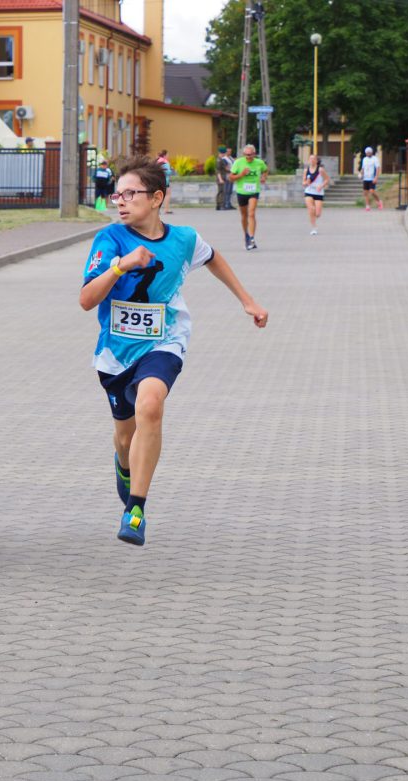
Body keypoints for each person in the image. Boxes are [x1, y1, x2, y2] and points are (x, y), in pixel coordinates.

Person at [79, 155, 268, 547]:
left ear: (156, 198)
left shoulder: (183, 239)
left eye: (130, 193)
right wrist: (120, 266)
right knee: (124, 439)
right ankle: (124, 465)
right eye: (118, 194)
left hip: (165, 341)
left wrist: (247, 300)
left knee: (151, 406)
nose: (120, 201)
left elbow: (213, 258)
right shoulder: (110, 239)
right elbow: (86, 300)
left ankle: (135, 510)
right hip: (116, 353)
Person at [229, 144, 268, 251]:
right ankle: (246, 235)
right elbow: (231, 177)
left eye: (250, 155)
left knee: (251, 213)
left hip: (254, 191)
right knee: (244, 215)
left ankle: (251, 238)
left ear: (254, 154)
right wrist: (241, 174)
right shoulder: (238, 162)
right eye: (246, 155)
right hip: (241, 192)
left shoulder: (259, 162)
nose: (248, 157)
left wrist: (264, 177)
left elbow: (265, 170)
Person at [302, 153, 330, 235]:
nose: (312, 160)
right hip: (309, 191)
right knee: (311, 209)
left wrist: (321, 186)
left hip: (318, 192)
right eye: (310, 159)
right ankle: (314, 228)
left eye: (313, 159)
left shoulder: (320, 170)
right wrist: (306, 183)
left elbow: (327, 179)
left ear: (317, 161)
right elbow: (303, 182)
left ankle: (314, 217)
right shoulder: (306, 170)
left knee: (317, 214)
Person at [359, 146, 382, 211]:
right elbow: (363, 168)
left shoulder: (375, 159)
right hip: (365, 178)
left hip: (372, 178)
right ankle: (367, 206)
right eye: (367, 152)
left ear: (371, 152)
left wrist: (376, 177)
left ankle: (379, 201)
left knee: (372, 191)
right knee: (365, 192)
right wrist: (361, 174)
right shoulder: (364, 159)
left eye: (369, 152)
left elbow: (377, 168)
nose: (368, 153)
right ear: (366, 153)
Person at [215, 146, 233, 211]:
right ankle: (220, 205)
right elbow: (218, 171)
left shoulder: (221, 159)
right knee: (221, 192)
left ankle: (219, 206)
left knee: (222, 191)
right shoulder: (218, 160)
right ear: (219, 153)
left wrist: (231, 171)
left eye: (224, 153)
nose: (224, 154)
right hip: (221, 178)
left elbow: (225, 168)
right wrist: (220, 179)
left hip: (223, 177)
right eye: (223, 153)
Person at [156, 149, 173, 214]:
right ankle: (166, 209)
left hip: (158, 180)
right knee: (167, 195)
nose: (168, 156)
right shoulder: (165, 162)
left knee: (158, 195)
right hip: (165, 181)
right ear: (165, 155)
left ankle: (157, 210)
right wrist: (171, 171)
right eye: (168, 154)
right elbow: (167, 172)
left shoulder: (158, 160)